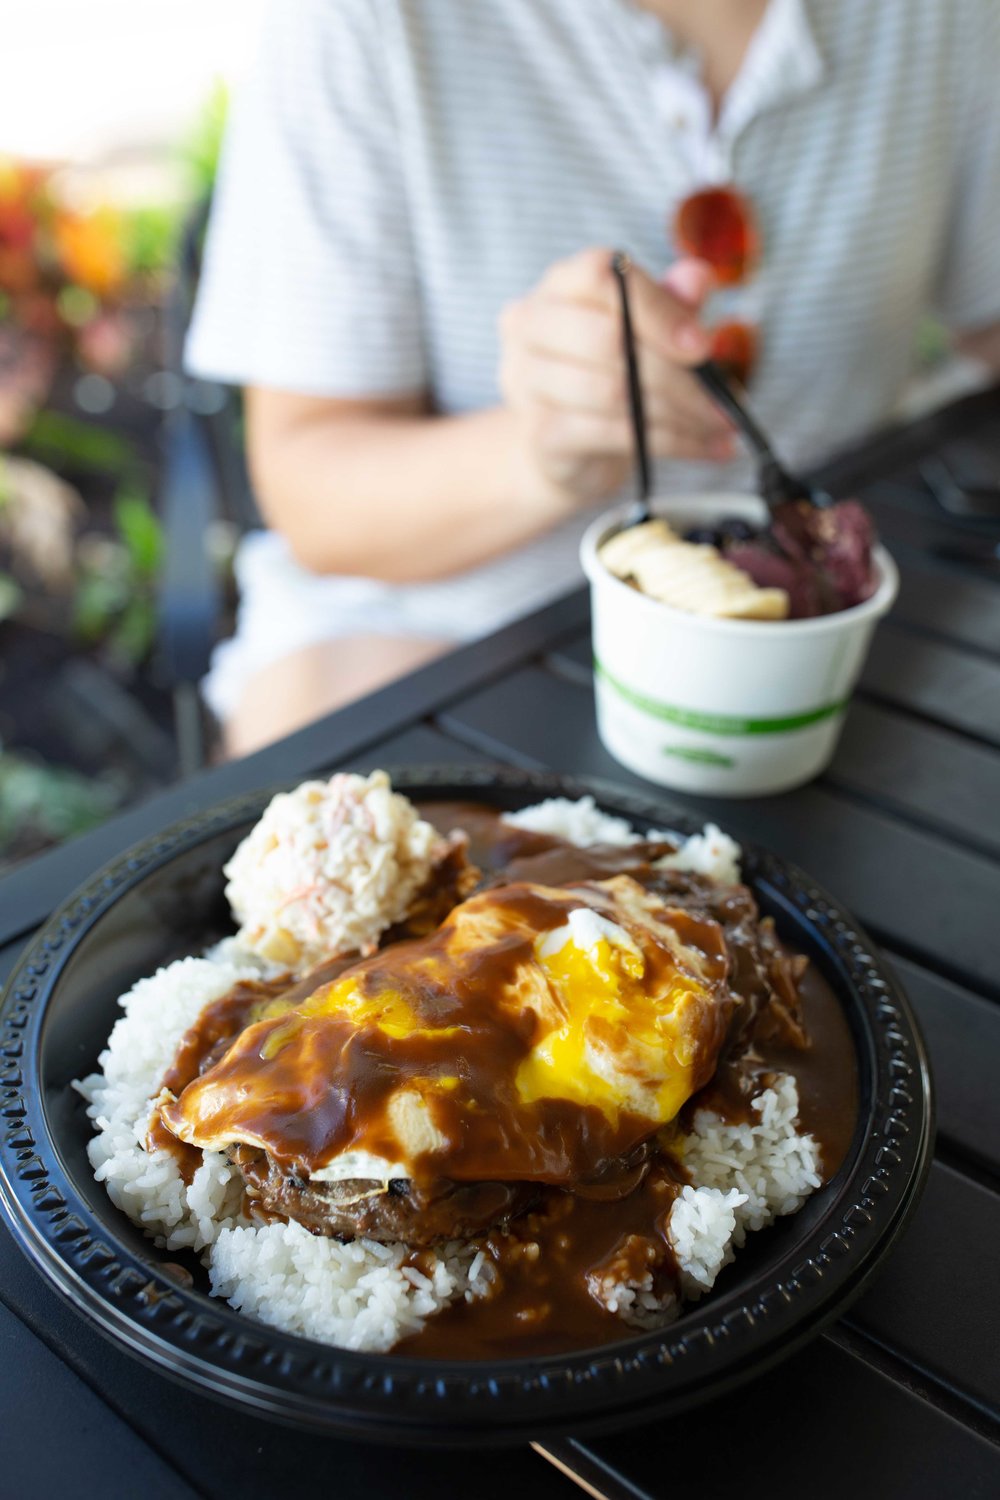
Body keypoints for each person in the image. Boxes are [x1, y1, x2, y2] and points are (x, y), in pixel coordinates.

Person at [187, 0, 1000, 757]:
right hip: (435, 645)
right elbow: (315, 495)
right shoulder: (370, 24)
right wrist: (537, 452)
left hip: (827, 652)